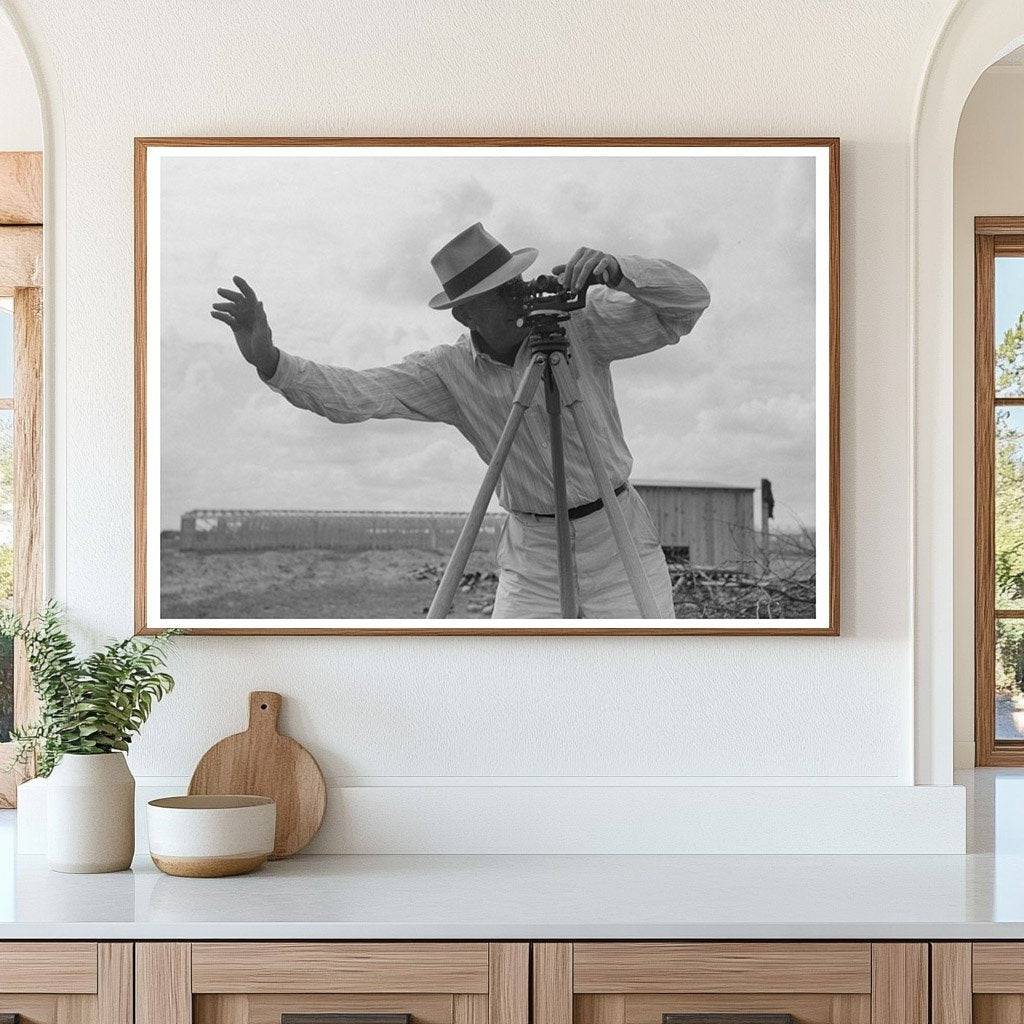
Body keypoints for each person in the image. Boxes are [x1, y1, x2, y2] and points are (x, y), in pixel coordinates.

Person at [211, 222, 710, 618]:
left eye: (515, 282)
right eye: (501, 291)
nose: (519, 296)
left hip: (616, 539)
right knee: (515, 687)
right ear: (465, 315)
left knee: (638, 674)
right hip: (532, 554)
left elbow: (688, 304)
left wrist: (623, 272)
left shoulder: (581, 324)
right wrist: (270, 361)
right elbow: (360, 394)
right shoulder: (448, 373)